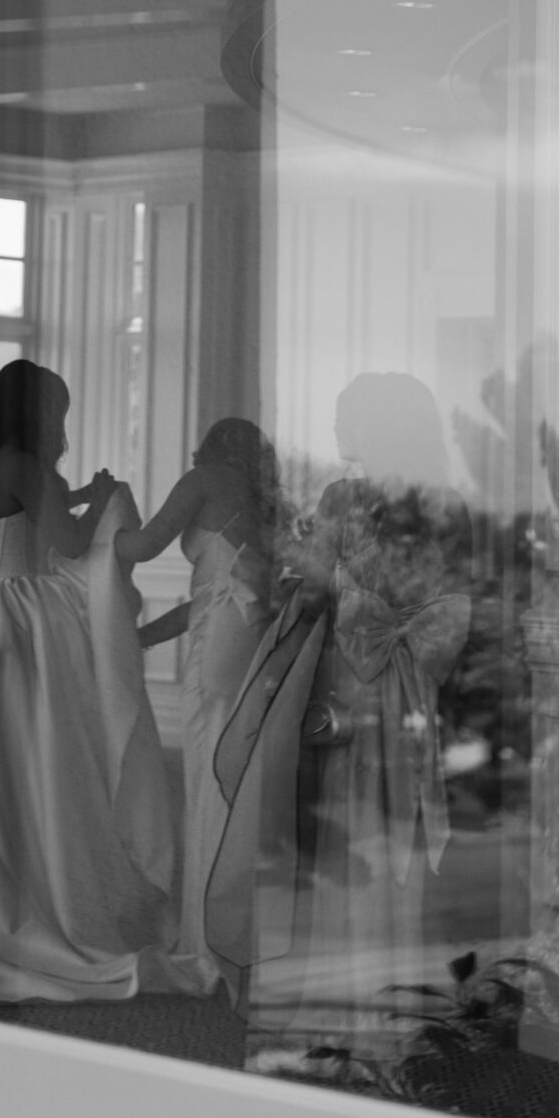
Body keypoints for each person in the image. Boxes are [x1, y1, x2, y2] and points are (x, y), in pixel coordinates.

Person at [0, 358, 210, 1001]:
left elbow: (26, 520)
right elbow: (64, 540)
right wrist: (108, 500)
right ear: (39, 412)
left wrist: (80, 495)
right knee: (42, 764)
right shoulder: (28, 467)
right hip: (16, 622)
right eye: (57, 412)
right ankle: (40, 895)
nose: (61, 425)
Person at [208, 373, 472, 1048]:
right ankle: (369, 1000)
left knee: (351, 828)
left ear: (376, 425)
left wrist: (284, 554)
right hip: (379, 683)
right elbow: (408, 588)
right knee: (364, 831)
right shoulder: (440, 502)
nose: (332, 428)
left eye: (342, 415)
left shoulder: (354, 498)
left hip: (366, 682)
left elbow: (332, 578)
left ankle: (350, 1004)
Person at [115, 419, 278, 978]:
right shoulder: (261, 500)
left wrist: (102, 508)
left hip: (222, 637)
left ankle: (209, 940)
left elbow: (141, 544)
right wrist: (143, 637)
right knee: (234, 767)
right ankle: (237, 928)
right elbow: (210, 596)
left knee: (209, 767)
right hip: (247, 632)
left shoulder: (203, 478)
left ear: (209, 448)